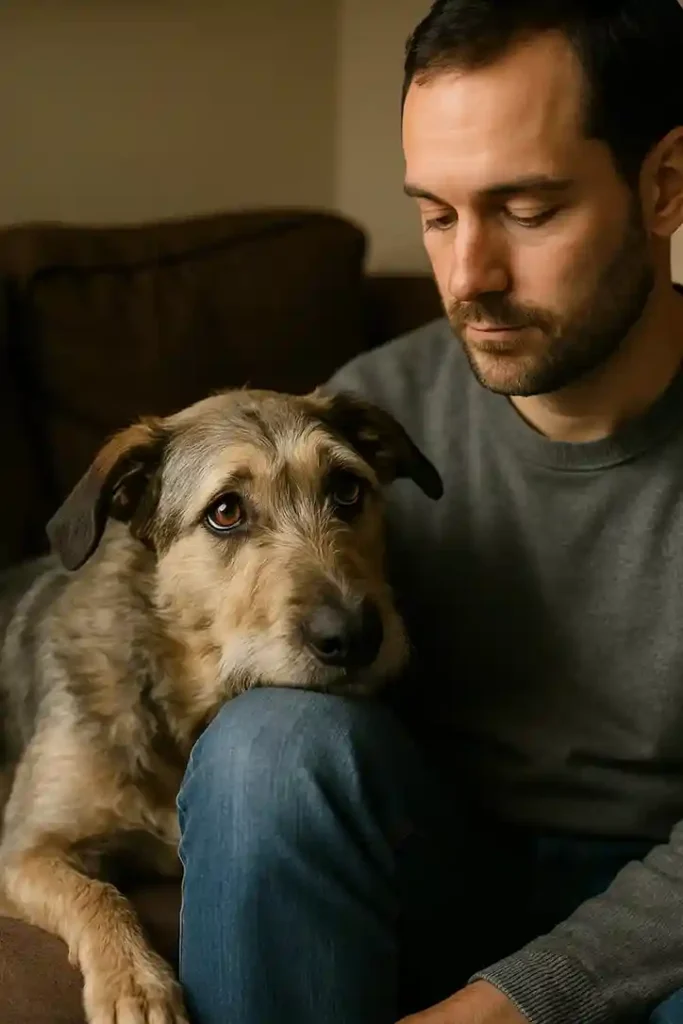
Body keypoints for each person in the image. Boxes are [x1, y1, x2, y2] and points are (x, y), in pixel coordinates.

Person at [177, 1, 683, 1021]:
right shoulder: (361, 429)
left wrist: (506, 1004)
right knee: (267, 750)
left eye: (526, 210)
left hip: (663, 918)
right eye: (437, 215)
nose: (467, 278)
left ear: (664, 185)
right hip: (437, 866)